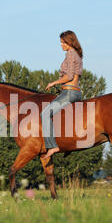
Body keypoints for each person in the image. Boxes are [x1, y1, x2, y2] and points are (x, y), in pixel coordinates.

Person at [41, 30, 83, 159]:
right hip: (75, 92)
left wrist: (54, 82)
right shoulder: (77, 55)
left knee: (45, 114)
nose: (61, 45)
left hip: (70, 92)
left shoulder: (70, 54)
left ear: (69, 42)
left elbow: (69, 76)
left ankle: (52, 146)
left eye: (62, 42)